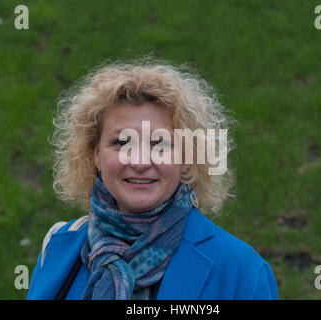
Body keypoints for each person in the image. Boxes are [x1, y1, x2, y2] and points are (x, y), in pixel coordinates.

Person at [27, 59, 279, 300]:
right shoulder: (57, 246)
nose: (139, 161)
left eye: (160, 144)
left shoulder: (241, 270)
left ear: (187, 158)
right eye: (122, 142)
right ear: (95, 154)